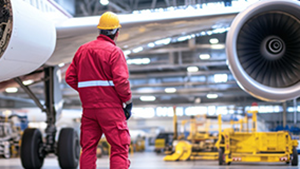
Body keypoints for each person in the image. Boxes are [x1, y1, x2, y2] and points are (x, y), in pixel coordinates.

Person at [65, 11, 132, 169]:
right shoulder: (114, 52)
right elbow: (121, 81)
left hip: (89, 110)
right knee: (119, 148)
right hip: (111, 109)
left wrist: (87, 92)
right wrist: (127, 101)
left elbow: (70, 77)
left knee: (88, 148)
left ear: (100, 30)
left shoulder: (82, 50)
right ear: (116, 32)